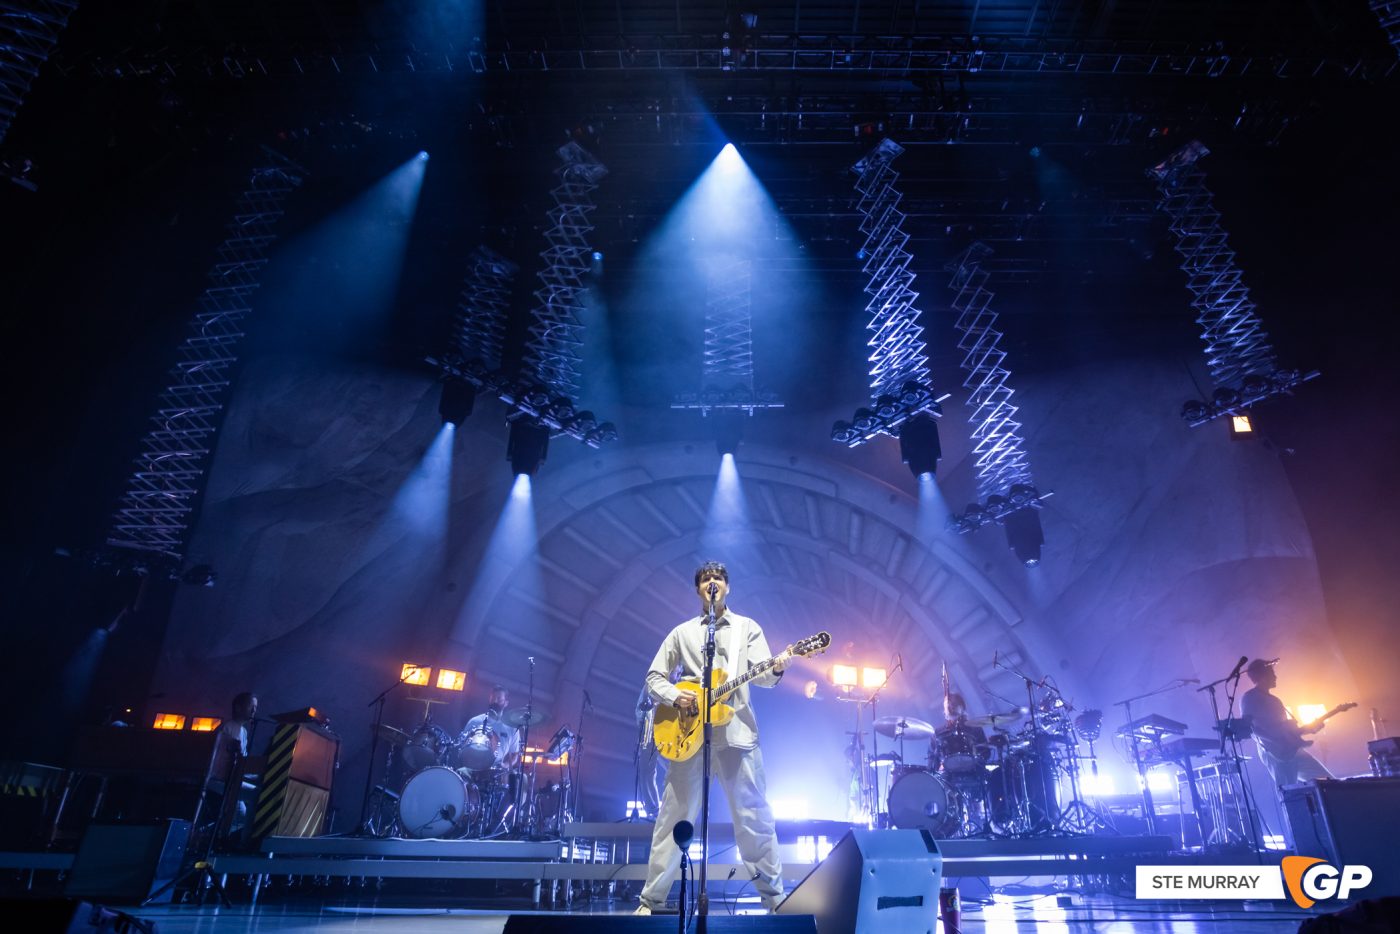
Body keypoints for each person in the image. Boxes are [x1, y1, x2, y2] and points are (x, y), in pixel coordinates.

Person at [636, 562, 789, 916]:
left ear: (727, 587)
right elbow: (654, 676)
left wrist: (778, 666)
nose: (712, 583)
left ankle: (774, 900)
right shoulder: (682, 633)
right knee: (674, 819)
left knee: (753, 818)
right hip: (688, 735)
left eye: (718, 578)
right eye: (706, 579)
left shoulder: (747, 628)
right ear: (698, 590)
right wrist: (677, 696)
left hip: (737, 735)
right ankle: (651, 900)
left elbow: (763, 676)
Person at [1240, 658, 1334, 789]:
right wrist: (1275, 742)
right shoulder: (1250, 697)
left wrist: (1309, 729)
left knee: (1327, 782)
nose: (1275, 676)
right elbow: (1249, 727)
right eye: (1272, 673)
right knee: (1289, 791)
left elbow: (1286, 730)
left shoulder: (1275, 700)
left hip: (1293, 750)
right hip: (1275, 753)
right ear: (1262, 676)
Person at [462, 685, 522, 771]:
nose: (495, 701)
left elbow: (514, 755)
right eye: (492, 698)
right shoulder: (475, 721)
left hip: (495, 773)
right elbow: (462, 746)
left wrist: (504, 766)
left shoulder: (512, 728)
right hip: (471, 768)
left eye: (499, 699)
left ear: (506, 703)